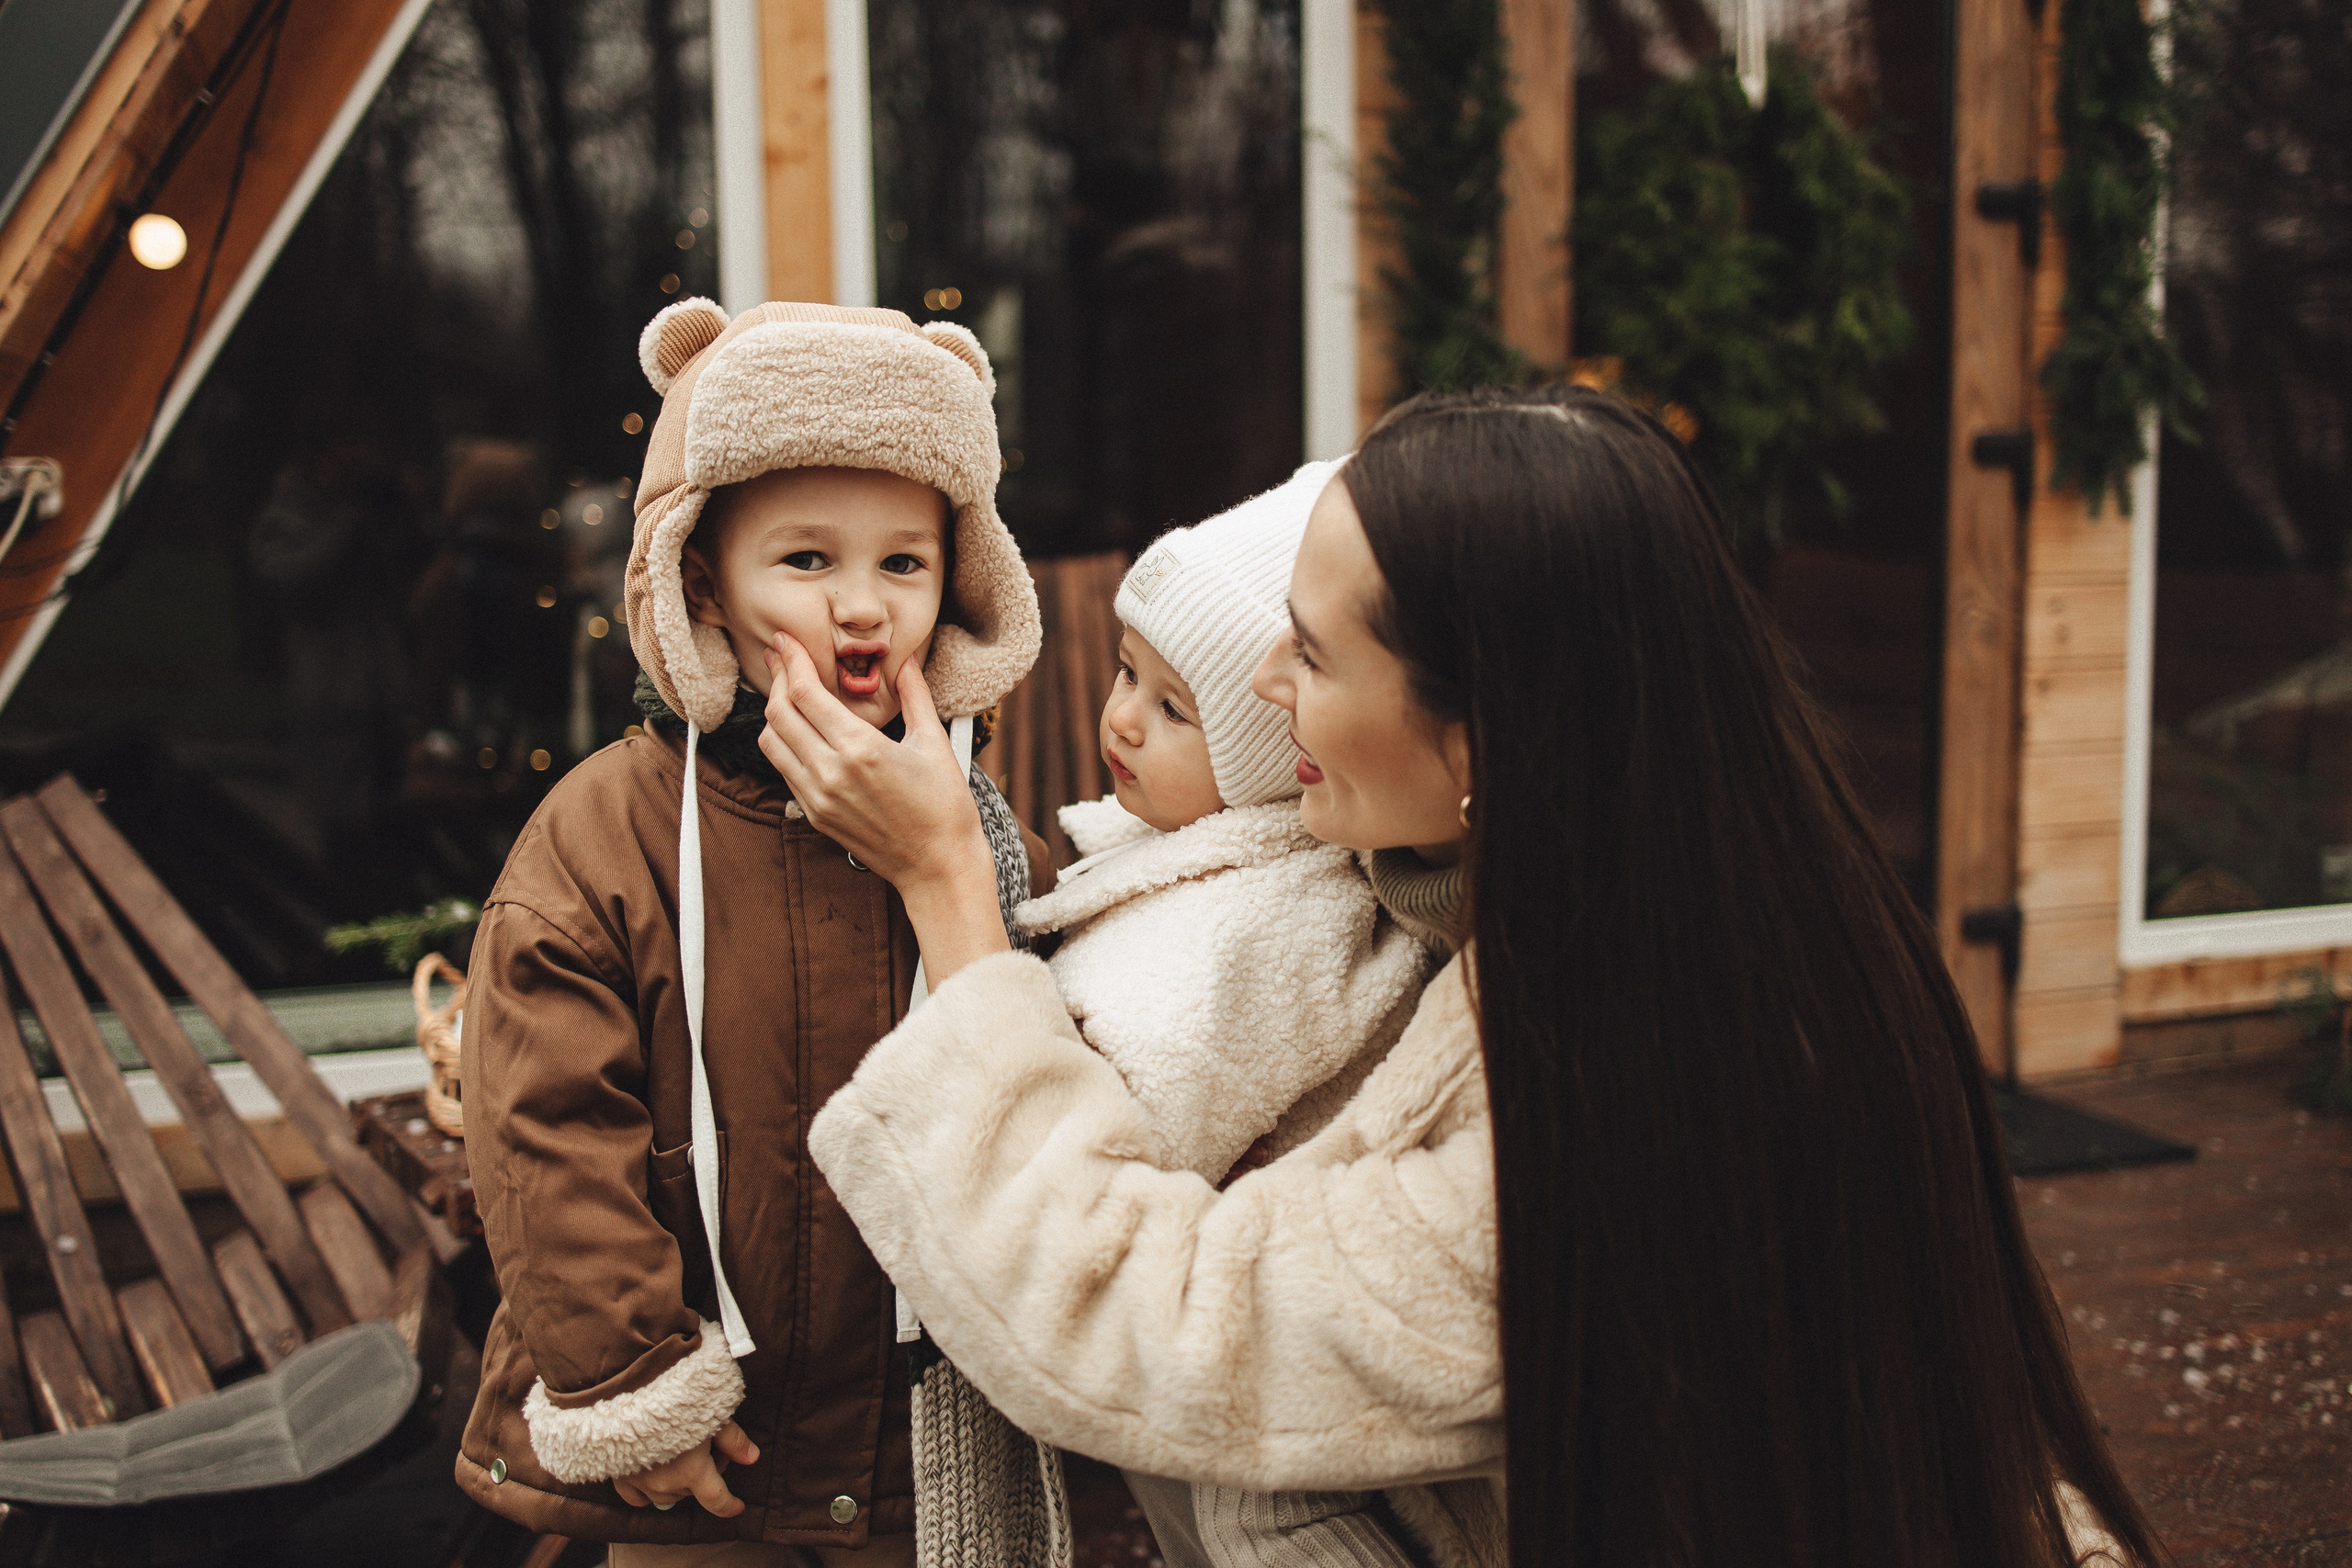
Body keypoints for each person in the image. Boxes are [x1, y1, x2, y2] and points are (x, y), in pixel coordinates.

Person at [760, 384, 2160, 1568]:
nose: (1260, 677)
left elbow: (1158, 1316)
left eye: (1310, 649)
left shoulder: (1611, 1128)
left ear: (1489, 741)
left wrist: (949, 889)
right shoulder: (1729, 921)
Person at [454, 299, 1045, 1565]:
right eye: (807, 560)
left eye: (904, 562)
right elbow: (547, 1126)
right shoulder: (604, 834)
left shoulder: (982, 834)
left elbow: (1043, 1076)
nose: (863, 608)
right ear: (702, 587)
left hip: (912, 1462)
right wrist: (632, 1380)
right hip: (703, 1462)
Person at [1013, 457, 1433, 1566]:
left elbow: (1115, 1135)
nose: (1123, 723)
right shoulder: (1190, 860)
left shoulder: (1269, 919)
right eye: (1122, 674)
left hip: (1262, 1475)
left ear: (1269, 757)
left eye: (1174, 709)